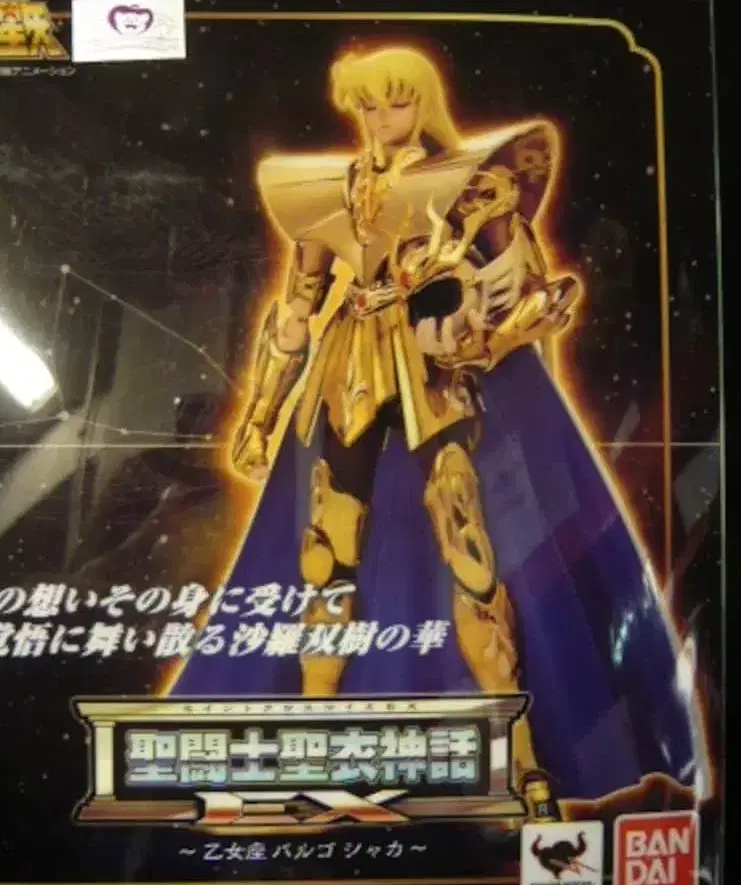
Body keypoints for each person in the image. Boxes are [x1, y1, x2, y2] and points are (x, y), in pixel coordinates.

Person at [167, 46, 704, 823]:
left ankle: (522, 761)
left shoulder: (469, 184)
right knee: (326, 557)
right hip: (349, 370)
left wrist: (496, 331)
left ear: (421, 105)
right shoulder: (324, 193)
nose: (380, 119)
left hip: (434, 370)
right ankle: (315, 746)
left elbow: (525, 296)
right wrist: (260, 412)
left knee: (469, 550)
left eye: (395, 103)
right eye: (368, 106)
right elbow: (296, 310)